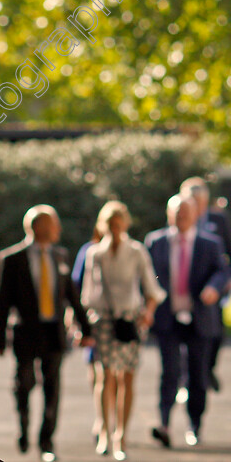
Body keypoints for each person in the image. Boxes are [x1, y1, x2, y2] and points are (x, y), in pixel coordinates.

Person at [0, 204, 94, 462]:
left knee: (53, 389)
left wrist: (86, 328)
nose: (58, 229)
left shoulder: (60, 256)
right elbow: (2, 302)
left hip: (53, 333)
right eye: (54, 224)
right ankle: (24, 427)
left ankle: (47, 441)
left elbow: (72, 295)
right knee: (24, 384)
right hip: (26, 332)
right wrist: (0, 338)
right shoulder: (11, 258)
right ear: (39, 227)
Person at [80, 201, 166, 460]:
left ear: (125, 225)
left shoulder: (137, 251)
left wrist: (148, 312)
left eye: (119, 225)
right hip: (103, 320)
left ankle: (122, 435)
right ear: (103, 226)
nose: (115, 230)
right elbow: (87, 293)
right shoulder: (95, 253)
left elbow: (152, 288)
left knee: (127, 378)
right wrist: (82, 323)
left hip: (130, 319)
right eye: (110, 225)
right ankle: (105, 430)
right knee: (104, 377)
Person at [146, 194, 229, 449]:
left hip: (200, 318)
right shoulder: (155, 242)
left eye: (186, 212)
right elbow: (146, 274)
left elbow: (223, 270)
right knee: (169, 372)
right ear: (169, 215)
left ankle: (195, 425)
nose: (181, 216)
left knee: (197, 375)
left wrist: (214, 288)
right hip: (168, 318)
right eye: (177, 212)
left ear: (196, 214)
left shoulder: (210, 243)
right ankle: (164, 424)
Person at [180, 177, 231, 392]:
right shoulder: (180, 219)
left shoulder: (218, 220)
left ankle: (206, 370)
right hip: (186, 288)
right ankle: (187, 381)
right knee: (184, 338)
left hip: (213, 287)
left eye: (200, 200)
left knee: (214, 334)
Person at [70, 226, 104, 448]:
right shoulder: (88, 251)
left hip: (118, 322)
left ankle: (108, 423)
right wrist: (75, 323)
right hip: (92, 320)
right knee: (96, 374)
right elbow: (74, 287)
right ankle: (101, 419)